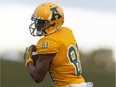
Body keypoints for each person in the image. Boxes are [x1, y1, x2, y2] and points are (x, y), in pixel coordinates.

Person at [24, 2, 93, 87]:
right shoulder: (66, 32)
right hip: (80, 83)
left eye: (41, 22)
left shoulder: (49, 42)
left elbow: (37, 77)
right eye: (37, 21)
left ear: (53, 23)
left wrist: (28, 60)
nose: (36, 25)